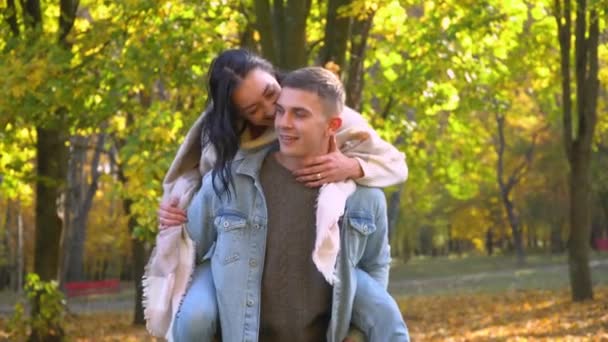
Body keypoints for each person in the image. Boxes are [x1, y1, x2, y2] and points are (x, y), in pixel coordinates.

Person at [143, 50, 408, 341]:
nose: (272, 112)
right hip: (233, 250)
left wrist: (353, 165)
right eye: (253, 109)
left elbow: (394, 164)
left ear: (275, 76)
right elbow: (192, 177)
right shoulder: (226, 145)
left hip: (325, 276)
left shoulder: (330, 113)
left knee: (388, 318)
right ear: (238, 114)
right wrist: (174, 208)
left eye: (271, 94)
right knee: (195, 317)